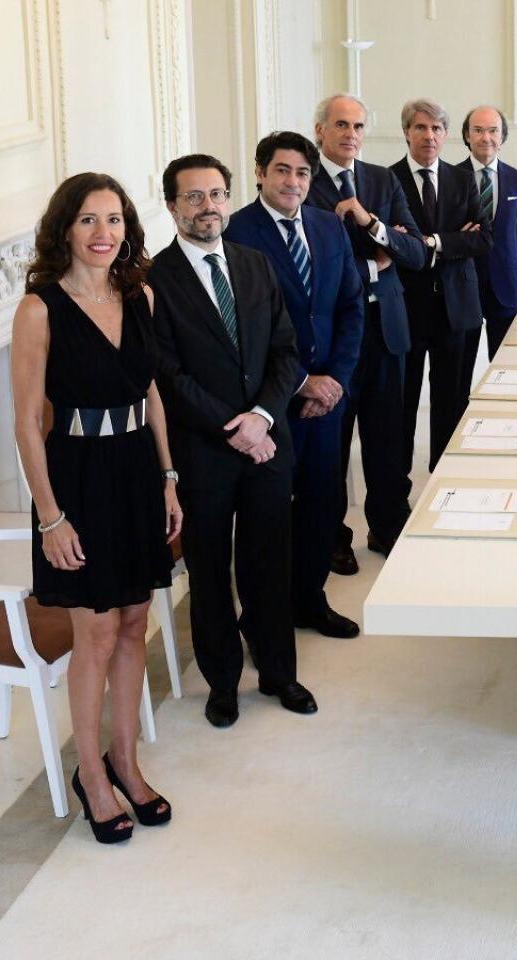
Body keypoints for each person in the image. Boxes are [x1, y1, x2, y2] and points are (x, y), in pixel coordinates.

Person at [11, 172, 177, 843]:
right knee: (97, 632)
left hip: (138, 468)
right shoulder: (38, 309)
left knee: (136, 621)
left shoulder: (141, 294)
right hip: (76, 479)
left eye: (113, 220)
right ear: (64, 229)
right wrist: (49, 517)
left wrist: (168, 476)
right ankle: (91, 773)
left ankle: (126, 762)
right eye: (88, 220)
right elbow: (26, 423)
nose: (103, 233)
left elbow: (152, 390)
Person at [148, 154, 318, 728]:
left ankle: (277, 672)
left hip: (268, 443)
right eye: (193, 197)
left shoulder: (254, 264)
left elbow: (287, 351)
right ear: (171, 206)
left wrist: (263, 419)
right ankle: (222, 681)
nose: (208, 206)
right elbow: (168, 376)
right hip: (204, 451)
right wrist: (236, 428)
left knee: (269, 560)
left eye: (216, 194)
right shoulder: (154, 281)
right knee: (210, 568)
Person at [224, 131, 365, 639]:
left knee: (322, 502)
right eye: (282, 170)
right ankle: (263, 615)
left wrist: (335, 382)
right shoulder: (237, 231)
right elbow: (239, 329)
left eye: (302, 172)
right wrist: (302, 382)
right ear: (260, 172)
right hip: (270, 403)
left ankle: (310, 599)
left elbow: (350, 307)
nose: (293, 181)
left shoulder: (329, 227)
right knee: (267, 516)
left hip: (326, 402)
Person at [305, 93, 430, 565]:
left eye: (358, 126)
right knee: (332, 442)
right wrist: (378, 264)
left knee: (389, 436)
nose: (350, 135)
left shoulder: (381, 179)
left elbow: (417, 253)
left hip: (387, 328)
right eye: (340, 125)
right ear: (321, 130)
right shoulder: (306, 184)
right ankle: (332, 535)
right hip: (335, 337)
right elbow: (316, 270)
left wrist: (371, 222)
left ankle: (387, 525)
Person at [390, 98, 493, 471]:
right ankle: (398, 486)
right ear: (406, 132)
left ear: (447, 135)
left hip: (457, 308)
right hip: (407, 309)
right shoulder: (387, 180)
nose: (429, 136)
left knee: (452, 400)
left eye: (436, 129)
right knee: (402, 402)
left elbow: (483, 239)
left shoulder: (464, 179)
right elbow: (389, 242)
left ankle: (444, 476)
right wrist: (452, 239)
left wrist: (431, 242)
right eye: (420, 127)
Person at [461, 105, 517, 359]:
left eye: (493, 130)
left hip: (506, 284)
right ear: (467, 136)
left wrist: (504, 260)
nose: (486, 137)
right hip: (463, 285)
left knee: (506, 362)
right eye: (478, 130)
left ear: (502, 137)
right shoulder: (451, 178)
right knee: (458, 367)